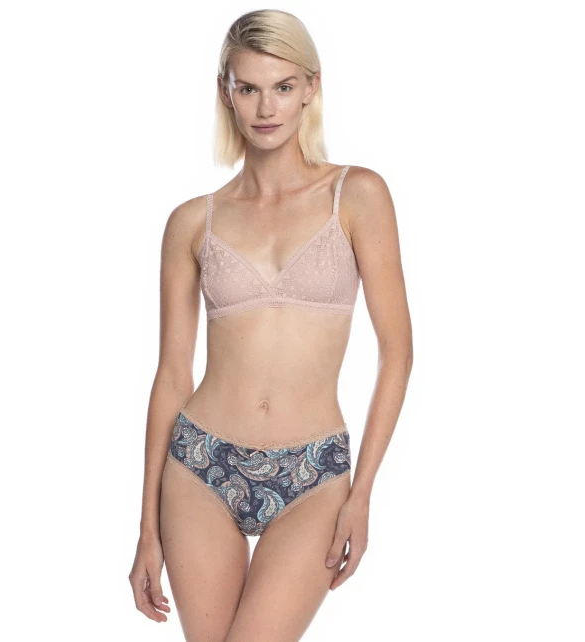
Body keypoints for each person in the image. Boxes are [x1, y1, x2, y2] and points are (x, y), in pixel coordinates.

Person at [129, 8, 413, 641]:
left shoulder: (357, 196)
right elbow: (172, 375)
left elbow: (397, 352)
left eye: (283, 86)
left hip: (313, 472)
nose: (266, 107)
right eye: (249, 88)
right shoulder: (191, 222)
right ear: (225, 91)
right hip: (201, 464)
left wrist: (363, 493)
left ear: (311, 86)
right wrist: (146, 527)